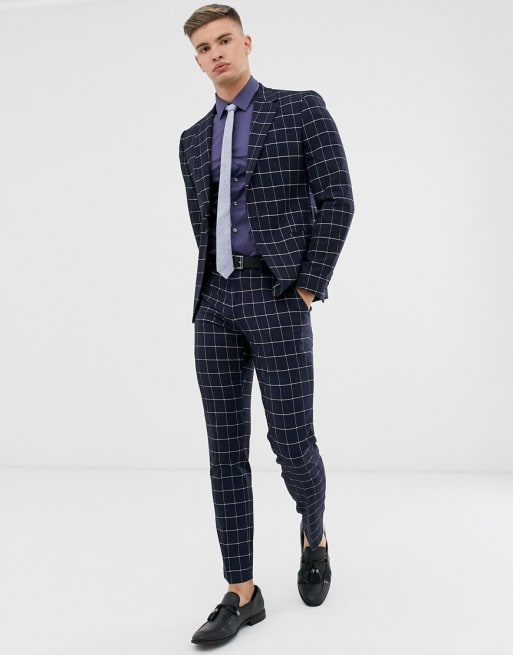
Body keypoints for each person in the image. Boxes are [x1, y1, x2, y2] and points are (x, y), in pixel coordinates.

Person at [179, 4, 354, 645]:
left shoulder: (300, 109)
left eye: (224, 40)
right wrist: (210, 291)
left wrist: (305, 287)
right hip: (215, 304)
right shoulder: (191, 140)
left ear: (246, 42)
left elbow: (338, 199)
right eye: (204, 48)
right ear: (196, 60)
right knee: (224, 452)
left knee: (291, 442)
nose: (216, 53)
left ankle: (315, 532)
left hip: (278, 294)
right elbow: (204, 224)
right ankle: (241, 592)